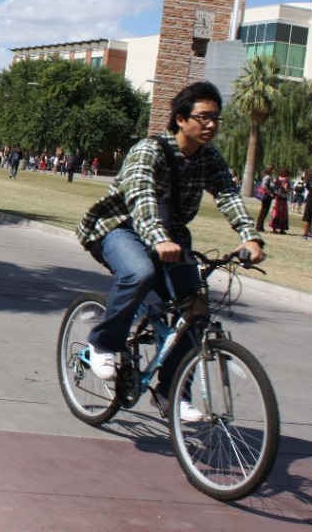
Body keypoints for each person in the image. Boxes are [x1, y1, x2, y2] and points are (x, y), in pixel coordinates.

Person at [76, 81, 264, 422]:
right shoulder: (148, 150)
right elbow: (141, 198)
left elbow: (229, 195)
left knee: (196, 312)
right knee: (140, 273)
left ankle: (171, 392)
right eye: (203, 117)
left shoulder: (209, 158)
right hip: (122, 228)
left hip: (171, 239)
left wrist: (250, 237)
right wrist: (158, 239)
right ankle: (103, 343)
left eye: (216, 118)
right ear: (180, 119)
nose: (211, 125)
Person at [253, 164, 276, 232]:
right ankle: (258, 227)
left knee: (265, 211)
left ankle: (261, 226)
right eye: (273, 169)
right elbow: (264, 186)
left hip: (269, 197)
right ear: (270, 170)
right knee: (263, 211)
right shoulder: (267, 177)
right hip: (266, 196)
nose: (274, 170)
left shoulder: (270, 177)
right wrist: (270, 193)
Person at [270, 168, 291, 234]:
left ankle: (273, 228)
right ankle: (282, 228)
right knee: (283, 214)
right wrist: (290, 189)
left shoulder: (276, 178)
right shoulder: (286, 180)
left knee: (275, 213)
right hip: (283, 199)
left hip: (277, 198)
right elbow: (285, 189)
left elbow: (272, 184)